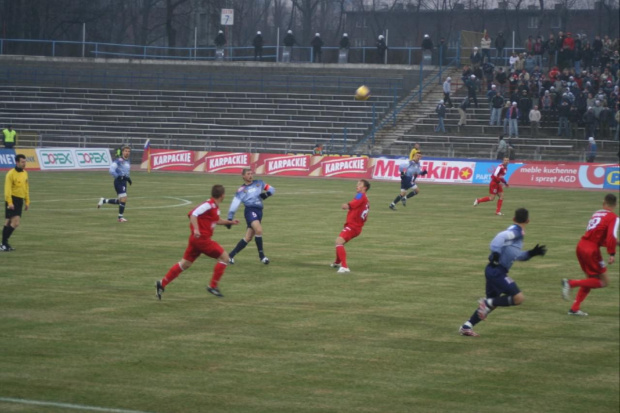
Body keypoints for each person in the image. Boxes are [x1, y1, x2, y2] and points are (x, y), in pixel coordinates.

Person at [459, 208, 547, 337]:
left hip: (493, 270)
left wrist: (531, 253)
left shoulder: (516, 231)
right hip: (497, 271)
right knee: (518, 298)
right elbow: (499, 238)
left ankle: (466, 327)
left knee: (491, 304)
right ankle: (486, 304)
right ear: (528, 220)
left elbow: (515, 255)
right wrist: (495, 253)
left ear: (513, 218)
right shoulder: (516, 232)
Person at [155, 185, 240, 300]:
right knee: (225, 258)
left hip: (196, 240)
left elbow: (216, 220)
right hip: (202, 240)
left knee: (185, 264)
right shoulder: (208, 205)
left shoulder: (215, 206)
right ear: (222, 195)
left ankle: (162, 283)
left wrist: (230, 222)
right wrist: (196, 229)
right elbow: (193, 214)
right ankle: (213, 286)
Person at [562, 194, 618, 316]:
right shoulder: (613, 217)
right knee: (604, 281)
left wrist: (615, 244)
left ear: (604, 202)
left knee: (590, 279)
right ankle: (571, 283)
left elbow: (598, 236)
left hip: (581, 245)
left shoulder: (597, 213)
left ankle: (574, 308)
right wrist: (612, 253)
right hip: (591, 250)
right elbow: (611, 237)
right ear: (615, 204)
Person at [226, 168, 275, 264]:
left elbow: (272, 189)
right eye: (248, 174)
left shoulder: (259, 183)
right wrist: (230, 218)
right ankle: (262, 257)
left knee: (248, 237)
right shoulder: (241, 190)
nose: (250, 175)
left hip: (259, 211)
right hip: (250, 211)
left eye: (251, 173)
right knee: (259, 230)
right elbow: (234, 204)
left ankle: (230, 256)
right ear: (243, 176)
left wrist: (267, 194)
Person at [331, 179, 370, 273]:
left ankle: (344, 267)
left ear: (364, 188)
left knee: (338, 241)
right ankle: (337, 262)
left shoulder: (362, 196)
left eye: (359, 184)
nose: (357, 185)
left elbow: (354, 203)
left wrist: (347, 205)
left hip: (353, 226)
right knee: (340, 242)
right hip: (354, 226)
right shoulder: (361, 196)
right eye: (357, 184)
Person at [2, 154, 29, 251]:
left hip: (19, 200)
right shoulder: (10, 174)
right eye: (22, 162)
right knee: (16, 222)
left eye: (25, 162)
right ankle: (4, 243)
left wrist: (27, 200)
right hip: (12, 200)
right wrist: (9, 202)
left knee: (8, 222)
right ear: (17, 162)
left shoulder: (25, 173)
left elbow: (26, 187)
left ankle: (4, 244)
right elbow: (7, 189)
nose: (24, 164)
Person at [98, 146, 131, 222]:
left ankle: (104, 201)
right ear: (122, 152)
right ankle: (120, 217)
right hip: (119, 182)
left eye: (128, 151)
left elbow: (125, 172)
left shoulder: (127, 161)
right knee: (124, 198)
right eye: (126, 151)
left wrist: (128, 178)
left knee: (121, 200)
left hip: (123, 182)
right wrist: (118, 177)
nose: (127, 153)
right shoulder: (119, 161)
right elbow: (111, 170)